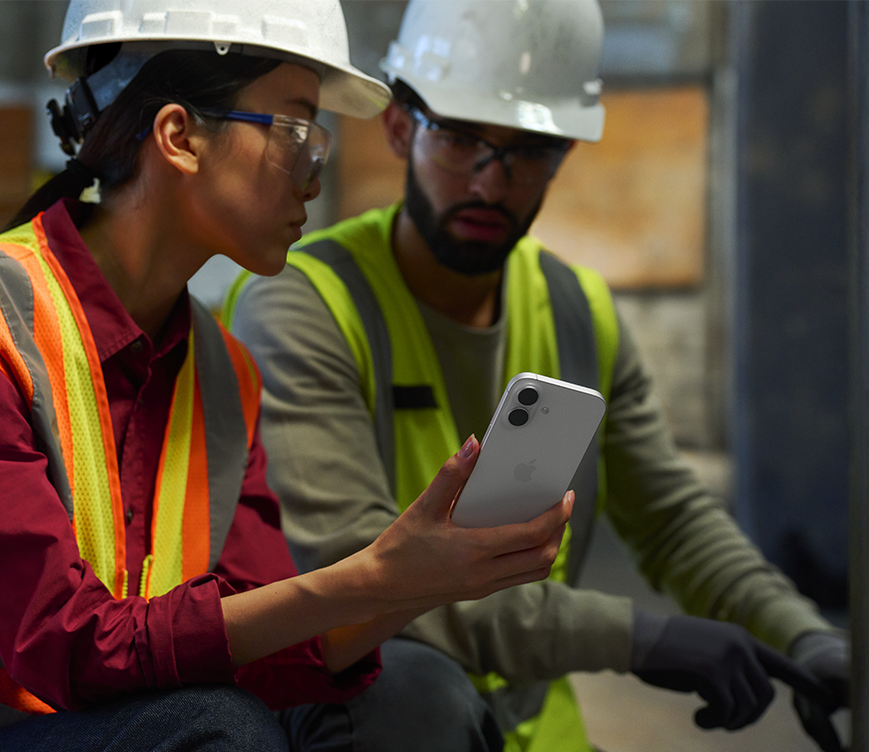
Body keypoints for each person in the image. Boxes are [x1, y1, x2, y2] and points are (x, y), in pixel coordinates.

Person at [0, 1, 575, 750]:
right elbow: (69, 649)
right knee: (216, 732)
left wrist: (417, 585)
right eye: (295, 129)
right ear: (178, 136)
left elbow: (262, 644)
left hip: (75, 733)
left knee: (412, 695)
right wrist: (376, 574)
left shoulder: (220, 373)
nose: (317, 170)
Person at [224, 0, 852, 749]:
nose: (491, 184)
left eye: (529, 150)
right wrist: (639, 639)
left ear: (564, 153)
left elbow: (674, 519)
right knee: (412, 692)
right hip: (372, 714)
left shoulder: (577, 312)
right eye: (459, 140)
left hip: (528, 728)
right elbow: (355, 579)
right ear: (399, 128)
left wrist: (804, 635)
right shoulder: (303, 305)